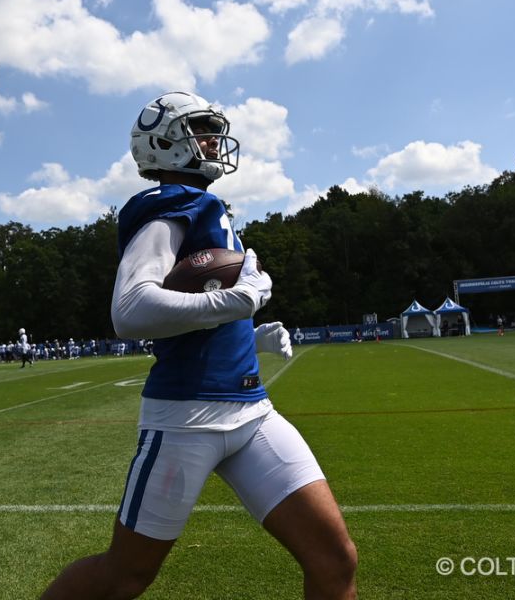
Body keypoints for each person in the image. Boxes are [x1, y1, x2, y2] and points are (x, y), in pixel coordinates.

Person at [41, 92, 356, 599]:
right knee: (125, 576)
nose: (213, 140)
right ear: (163, 142)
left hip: (252, 413)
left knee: (335, 560)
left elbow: (198, 311)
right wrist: (238, 303)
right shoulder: (172, 203)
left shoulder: (207, 205)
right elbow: (131, 310)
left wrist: (248, 334)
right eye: (200, 129)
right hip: (186, 417)